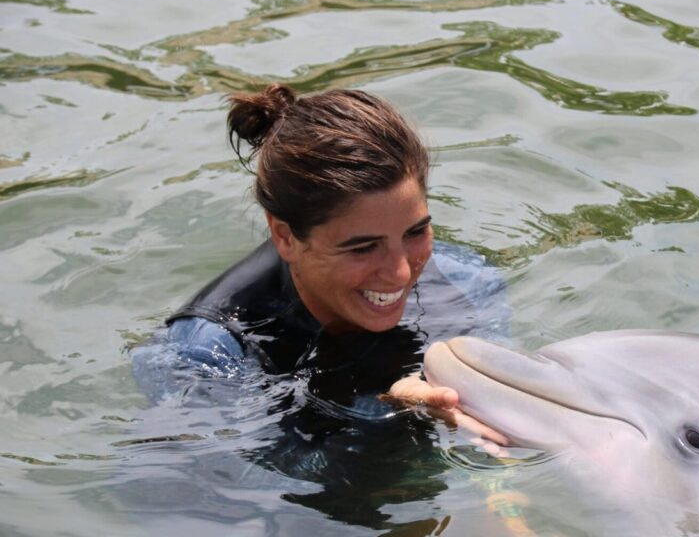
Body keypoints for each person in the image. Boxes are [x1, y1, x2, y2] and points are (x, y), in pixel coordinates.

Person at [132, 83, 506, 440]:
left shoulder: (469, 280)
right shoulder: (205, 355)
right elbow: (206, 486)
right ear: (285, 236)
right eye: (362, 248)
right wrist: (386, 410)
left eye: (415, 232)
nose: (402, 272)